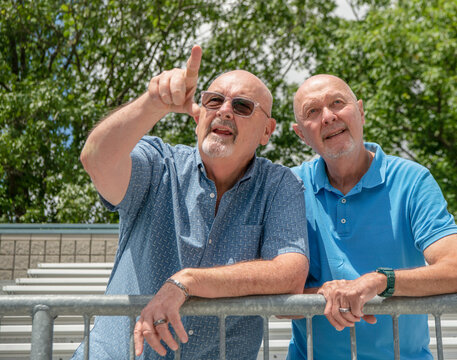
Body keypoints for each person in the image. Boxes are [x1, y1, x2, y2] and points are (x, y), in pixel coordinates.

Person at [72, 45, 309, 360]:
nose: (224, 110)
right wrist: (152, 104)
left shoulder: (280, 184)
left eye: (241, 106)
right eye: (214, 100)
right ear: (200, 111)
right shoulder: (159, 163)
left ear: (267, 131)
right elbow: (96, 160)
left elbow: (289, 275)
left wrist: (188, 281)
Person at [287, 74, 457, 360]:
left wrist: (379, 281)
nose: (328, 116)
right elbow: (276, 295)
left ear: (360, 112)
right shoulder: (290, 186)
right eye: (312, 112)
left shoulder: (413, 181)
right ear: (301, 133)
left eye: (337, 103)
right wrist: (325, 294)